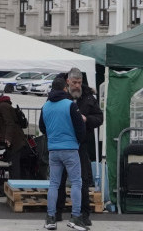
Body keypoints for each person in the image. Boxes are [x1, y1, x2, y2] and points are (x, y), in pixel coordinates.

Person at [55, 68, 102, 226]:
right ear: (68, 82)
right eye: (74, 83)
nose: (77, 86)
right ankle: (57, 211)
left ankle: (84, 214)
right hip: (63, 143)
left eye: (79, 83)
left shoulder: (88, 96)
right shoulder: (60, 96)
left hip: (81, 144)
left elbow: (99, 117)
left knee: (82, 180)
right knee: (59, 179)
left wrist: (86, 119)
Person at [40, 77, 87, 231]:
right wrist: (78, 142)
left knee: (54, 183)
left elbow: (42, 127)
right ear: (65, 89)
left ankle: (50, 218)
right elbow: (80, 127)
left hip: (53, 149)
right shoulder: (70, 105)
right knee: (76, 182)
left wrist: (52, 139)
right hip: (70, 148)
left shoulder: (45, 106)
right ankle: (76, 217)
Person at [0, 90, 27, 180]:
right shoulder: (0, 106)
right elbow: (1, 125)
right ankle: (14, 184)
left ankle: (16, 187)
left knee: (14, 166)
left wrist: (8, 138)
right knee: (12, 165)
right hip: (13, 141)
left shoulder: (3, 106)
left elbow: (10, 123)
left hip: (15, 141)